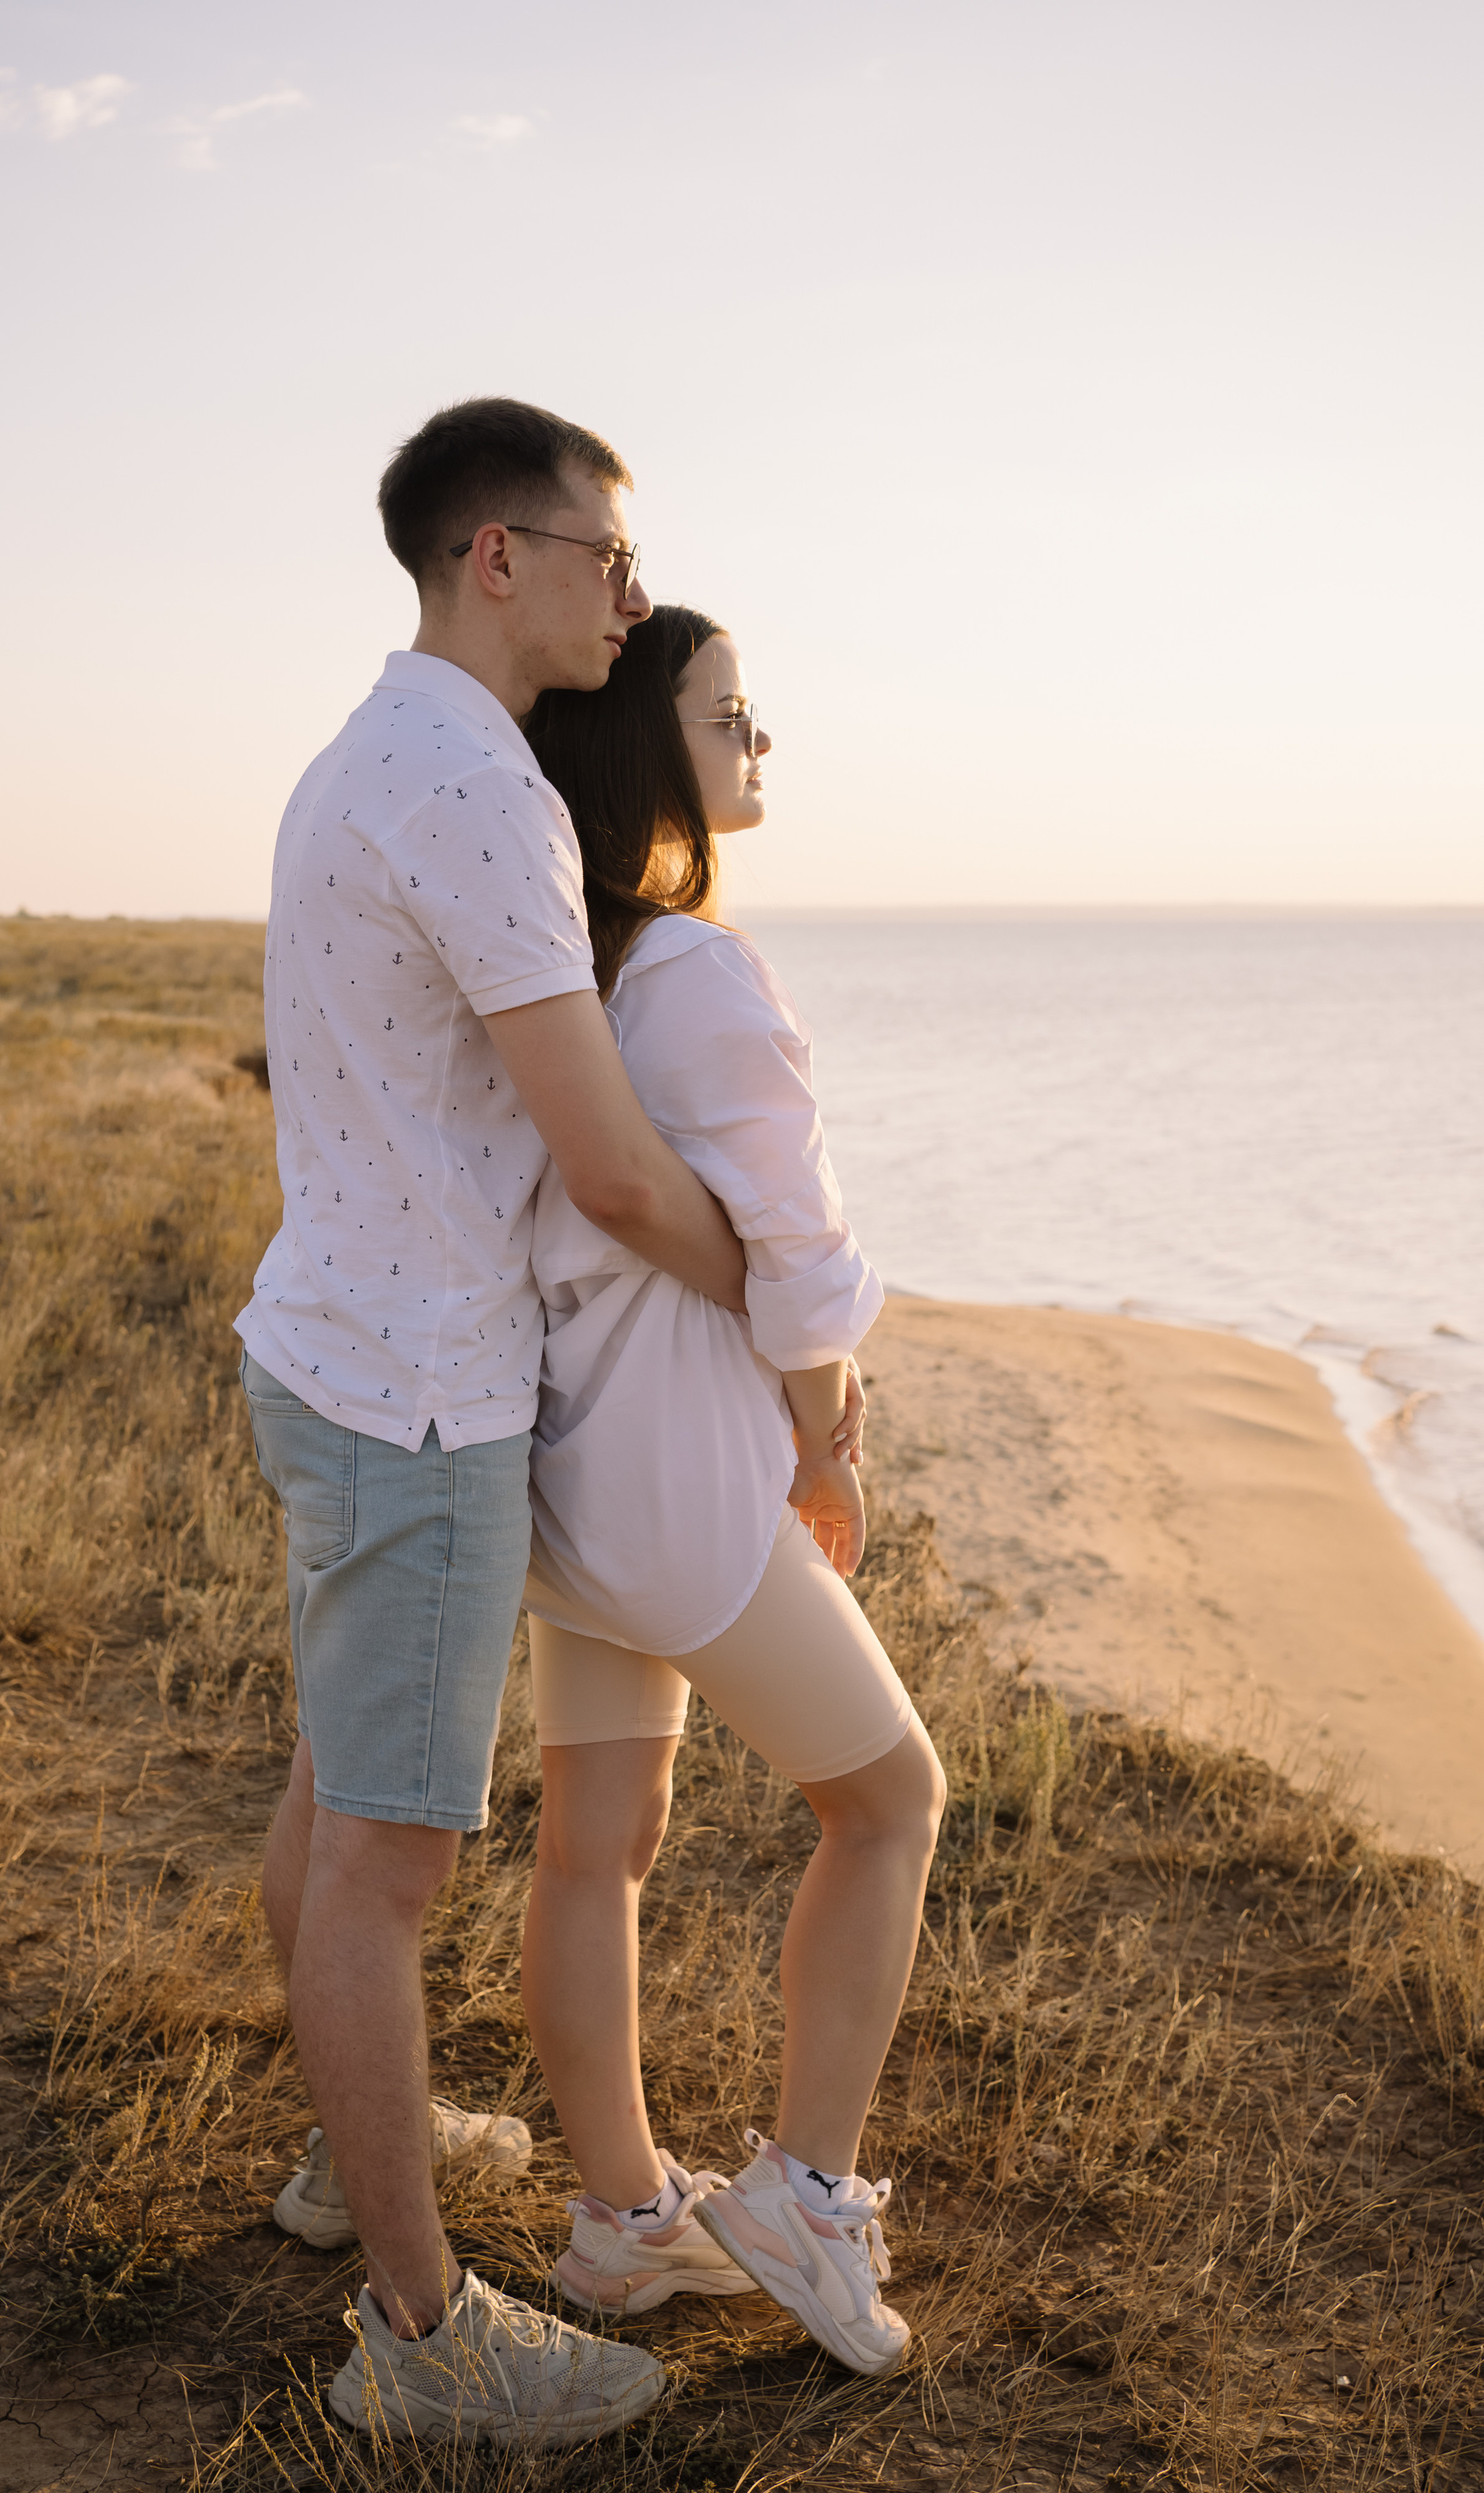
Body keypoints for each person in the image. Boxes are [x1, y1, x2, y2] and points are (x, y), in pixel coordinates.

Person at [236, 403, 753, 2445]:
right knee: (384, 1867)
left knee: (330, 1799)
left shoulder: (369, 752)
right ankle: (423, 2334)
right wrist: (783, 1294)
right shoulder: (474, 788)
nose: (634, 594)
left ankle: (341, 2143)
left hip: (331, 1351)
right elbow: (610, 1167)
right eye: (610, 557)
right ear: (496, 558)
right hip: (420, 1401)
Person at [517, 607, 948, 2379]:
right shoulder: (693, 966)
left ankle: (627, 2221)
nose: (758, 741)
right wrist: (829, 1437)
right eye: (727, 714)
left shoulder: (573, 960)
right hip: (680, 1481)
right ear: (645, 746)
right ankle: (809, 2194)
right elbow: (800, 1246)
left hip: (564, 1474)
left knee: (595, 1846)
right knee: (892, 1800)